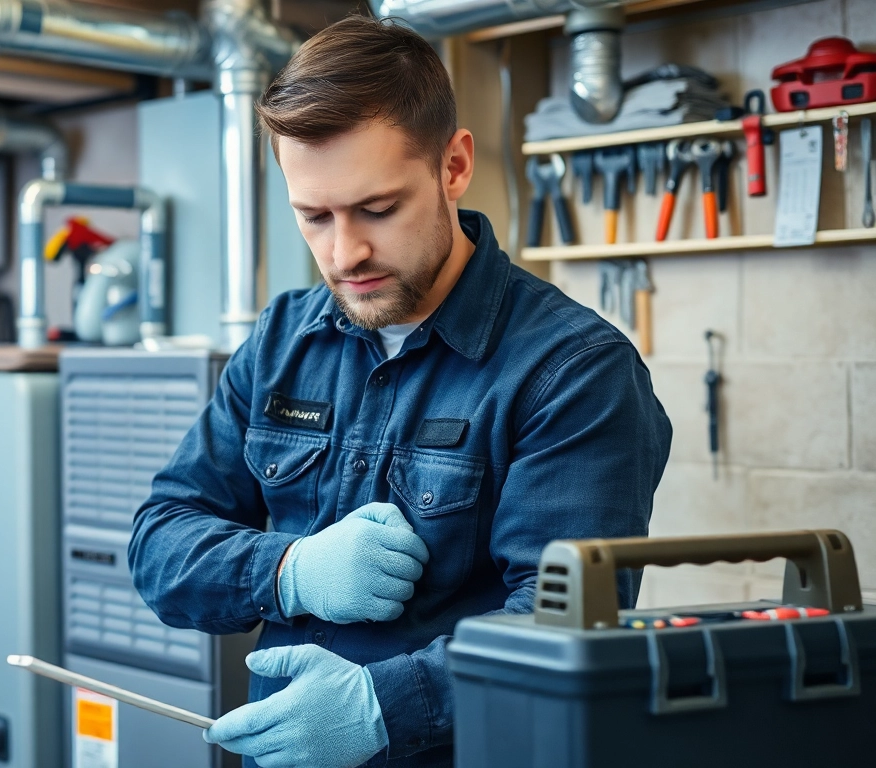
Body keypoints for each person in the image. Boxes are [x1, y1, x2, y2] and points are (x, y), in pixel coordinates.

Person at [128, 14, 672, 768]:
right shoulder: (284, 339)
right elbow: (159, 541)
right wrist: (289, 572)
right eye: (313, 217)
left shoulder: (574, 371)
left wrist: (383, 709)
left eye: (377, 210)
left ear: (454, 166)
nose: (344, 252)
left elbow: (566, 622)